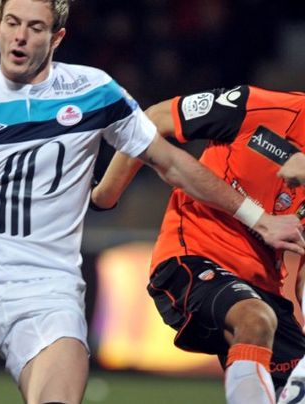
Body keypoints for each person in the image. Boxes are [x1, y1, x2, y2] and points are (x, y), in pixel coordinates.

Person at [0, 0, 305, 403]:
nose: (21, 37)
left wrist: (258, 219)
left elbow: (172, 163)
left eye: (36, 27)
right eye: (13, 23)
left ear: (57, 36)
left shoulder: (94, 93)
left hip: (49, 290)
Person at [90, 85, 305, 404]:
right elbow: (153, 120)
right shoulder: (259, 107)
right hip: (193, 257)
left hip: (265, 286)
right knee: (254, 319)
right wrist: (104, 196)